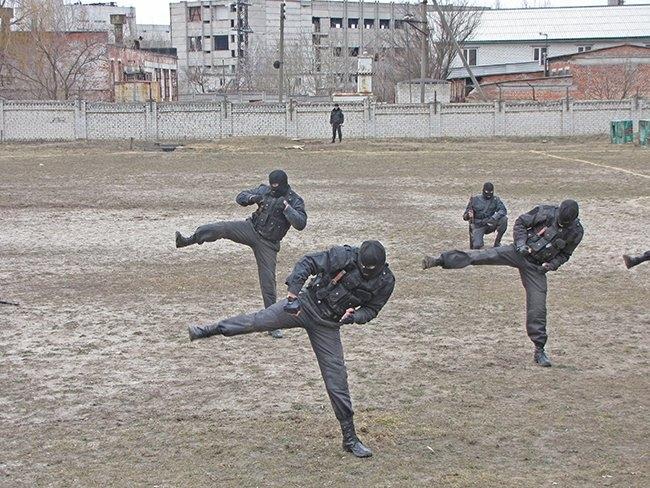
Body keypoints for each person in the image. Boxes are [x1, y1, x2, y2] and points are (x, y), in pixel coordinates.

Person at [187, 241, 396, 458]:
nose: (366, 273)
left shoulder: (386, 282)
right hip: (304, 305)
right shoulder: (344, 255)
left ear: (381, 266)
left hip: (328, 325)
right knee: (257, 321)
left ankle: (350, 439)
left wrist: (355, 317)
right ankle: (210, 329)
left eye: (370, 271)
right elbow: (308, 262)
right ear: (359, 259)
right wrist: (293, 295)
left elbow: (372, 310)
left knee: (337, 380)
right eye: (363, 268)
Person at [422, 200, 583, 368]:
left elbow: (565, 254)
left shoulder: (576, 232)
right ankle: (440, 260)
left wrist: (551, 265)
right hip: (518, 253)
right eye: (560, 220)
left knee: (538, 307)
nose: (561, 224)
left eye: (565, 223)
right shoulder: (546, 212)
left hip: (537, 268)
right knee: (481, 255)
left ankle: (539, 349)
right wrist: (520, 244)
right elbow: (521, 223)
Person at [175, 170, 307, 339]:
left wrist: (287, 208)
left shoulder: (294, 200)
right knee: (221, 228)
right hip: (250, 229)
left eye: (276, 186)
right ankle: (188, 240)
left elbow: (301, 223)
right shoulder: (264, 190)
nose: (273, 189)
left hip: (268, 244)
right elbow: (240, 197)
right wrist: (253, 198)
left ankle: (272, 324)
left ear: (284, 184)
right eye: (272, 185)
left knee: (268, 282)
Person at [464, 182, 508, 249]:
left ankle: (497, 243)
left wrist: (494, 218)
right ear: (483, 190)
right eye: (487, 192)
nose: (489, 194)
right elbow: (464, 217)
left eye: (491, 192)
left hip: (490, 223)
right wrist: (468, 215)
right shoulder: (475, 200)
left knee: (504, 219)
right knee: (477, 246)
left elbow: (503, 210)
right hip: (479, 225)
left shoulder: (495, 200)